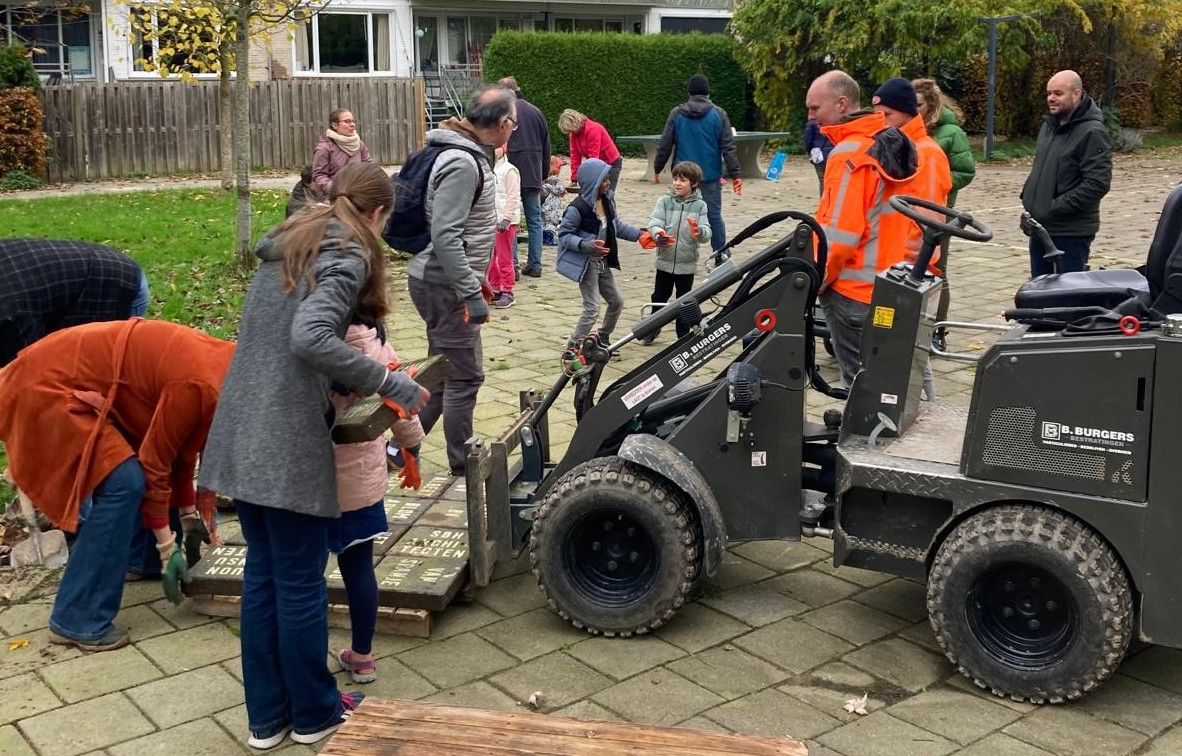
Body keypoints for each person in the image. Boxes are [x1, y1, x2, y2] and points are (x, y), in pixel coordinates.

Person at [198, 162, 429, 749]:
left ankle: (268, 719)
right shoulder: (348, 255)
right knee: (299, 583)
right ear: (377, 216)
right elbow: (311, 337)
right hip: (283, 442)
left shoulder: (292, 245)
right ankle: (315, 715)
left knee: (265, 578)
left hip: (240, 430)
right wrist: (392, 383)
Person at [0, 319, 235, 652]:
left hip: (67, 374)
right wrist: (169, 549)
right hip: (44, 385)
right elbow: (155, 464)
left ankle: (142, 561)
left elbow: (179, 456)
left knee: (134, 474)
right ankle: (77, 618)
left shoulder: (226, 376)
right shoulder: (201, 385)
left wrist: (186, 518)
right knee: (124, 482)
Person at [407, 86, 514, 476]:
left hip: (442, 281)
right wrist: (471, 293)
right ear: (502, 124)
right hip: (445, 285)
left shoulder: (462, 153)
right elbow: (446, 235)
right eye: (513, 123)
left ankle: (400, 448)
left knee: (440, 374)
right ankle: (463, 466)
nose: (512, 130)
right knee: (465, 378)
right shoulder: (462, 163)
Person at [808, 70, 919, 387]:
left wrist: (814, 280)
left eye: (815, 108)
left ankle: (863, 437)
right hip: (889, 283)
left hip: (851, 294)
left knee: (860, 388)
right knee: (890, 384)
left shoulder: (848, 155)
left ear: (841, 103)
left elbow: (839, 237)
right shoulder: (888, 146)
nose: (811, 116)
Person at [331, 322, 424, 686]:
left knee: (302, 575)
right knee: (359, 569)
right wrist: (411, 445)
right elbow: (402, 397)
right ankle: (363, 656)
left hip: (312, 480)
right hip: (360, 480)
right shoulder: (375, 339)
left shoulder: (313, 338)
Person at [871, 77, 952, 401]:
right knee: (904, 350)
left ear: (905, 112)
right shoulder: (904, 147)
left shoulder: (926, 154)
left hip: (909, 270)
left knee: (912, 352)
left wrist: (907, 264)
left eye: (887, 114)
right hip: (898, 266)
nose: (881, 122)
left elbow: (928, 221)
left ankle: (927, 410)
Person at [0, 238, 150, 367]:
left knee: (103, 374)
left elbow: (22, 368)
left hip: (115, 285)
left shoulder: (10, 316)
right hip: (75, 274)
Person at [1021, 70, 1112, 277]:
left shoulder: (1092, 132)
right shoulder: (1049, 127)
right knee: (1040, 294)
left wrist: (1052, 208)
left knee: (1064, 300)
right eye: (1048, 93)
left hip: (1070, 234)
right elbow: (1042, 171)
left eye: (1058, 93)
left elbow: (1097, 184)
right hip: (1041, 229)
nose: (1051, 98)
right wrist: (1030, 203)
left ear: (1076, 94)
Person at [557, 157, 654, 350]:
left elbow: (616, 225)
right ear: (591, 182)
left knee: (616, 301)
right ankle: (573, 347)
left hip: (602, 261)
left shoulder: (607, 200)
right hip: (587, 263)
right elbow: (564, 235)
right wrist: (586, 245)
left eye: (608, 178)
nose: (608, 183)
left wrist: (640, 236)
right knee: (592, 308)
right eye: (604, 180)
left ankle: (602, 338)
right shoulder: (578, 209)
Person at [913, 78, 975, 351]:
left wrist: (937, 181)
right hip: (910, 209)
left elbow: (965, 170)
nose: (915, 110)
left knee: (938, 271)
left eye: (919, 105)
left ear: (931, 104)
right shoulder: (910, 130)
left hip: (940, 211)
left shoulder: (951, 132)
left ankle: (938, 330)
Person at [653, 74, 742, 257]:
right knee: (714, 216)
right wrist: (735, 174)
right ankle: (721, 255)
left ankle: (676, 254)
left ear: (689, 92)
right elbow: (728, 147)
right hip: (709, 175)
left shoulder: (677, 114)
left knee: (677, 214)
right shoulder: (719, 114)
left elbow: (665, 144)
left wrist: (657, 167)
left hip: (683, 176)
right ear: (708, 92)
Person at [641, 161, 711, 345]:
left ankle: (683, 334)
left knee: (685, 300)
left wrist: (699, 232)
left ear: (694, 183)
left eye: (683, 180)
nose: (677, 183)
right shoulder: (664, 201)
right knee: (658, 297)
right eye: (675, 179)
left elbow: (706, 231)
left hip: (686, 262)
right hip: (664, 259)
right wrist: (658, 233)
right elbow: (654, 223)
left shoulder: (700, 206)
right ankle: (652, 329)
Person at [498, 77, 551, 278]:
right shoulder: (536, 111)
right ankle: (535, 264)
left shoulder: (504, 113)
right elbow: (547, 145)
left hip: (510, 172)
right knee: (534, 220)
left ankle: (512, 266)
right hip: (533, 172)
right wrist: (543, 173)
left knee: (510, 219)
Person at [559, 110, 623, 193]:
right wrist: (575, 179)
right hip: (597, 162)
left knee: (607, 195)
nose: (572, 132)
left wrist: (590, 178)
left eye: (572, 129)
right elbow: (575, 156)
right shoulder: (573, 134)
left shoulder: (593, 129)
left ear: (575, 122)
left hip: (611, 163)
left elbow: (593, 158)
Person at [312, 109, 373, 194]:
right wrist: (338, 191)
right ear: (335, 125)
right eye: (347, 121)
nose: (352, 124)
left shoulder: (359, 144)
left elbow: (369, 168)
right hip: (334, 197)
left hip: (358, 194)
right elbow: (319, 176)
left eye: (352, 121)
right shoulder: (324, 148)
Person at [489, 145, 521, 309]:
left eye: (497, 147)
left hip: (505, 222)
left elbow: (513, 196)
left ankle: (508, 290)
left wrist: (507, 218)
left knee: (504, 257)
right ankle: (494, 288)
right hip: (491, 220)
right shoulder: (489, 169)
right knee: (491, 257)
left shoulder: (509, 171)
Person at [803, 120, 835, 196]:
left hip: (819, 154)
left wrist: (810, 151)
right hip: (834, 153)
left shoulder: (813, 122)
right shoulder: (836, 119)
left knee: (822, 181)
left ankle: (824, 203)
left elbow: (807, 139)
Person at [541, 156, 566, 246]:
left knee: (543, 222)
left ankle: (543, 238)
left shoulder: (543, 180)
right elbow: (559, 189)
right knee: (552, 223)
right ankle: (549, 238)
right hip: (553, 207)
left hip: (544, 206)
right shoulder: (554, 180)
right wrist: (563, 189)